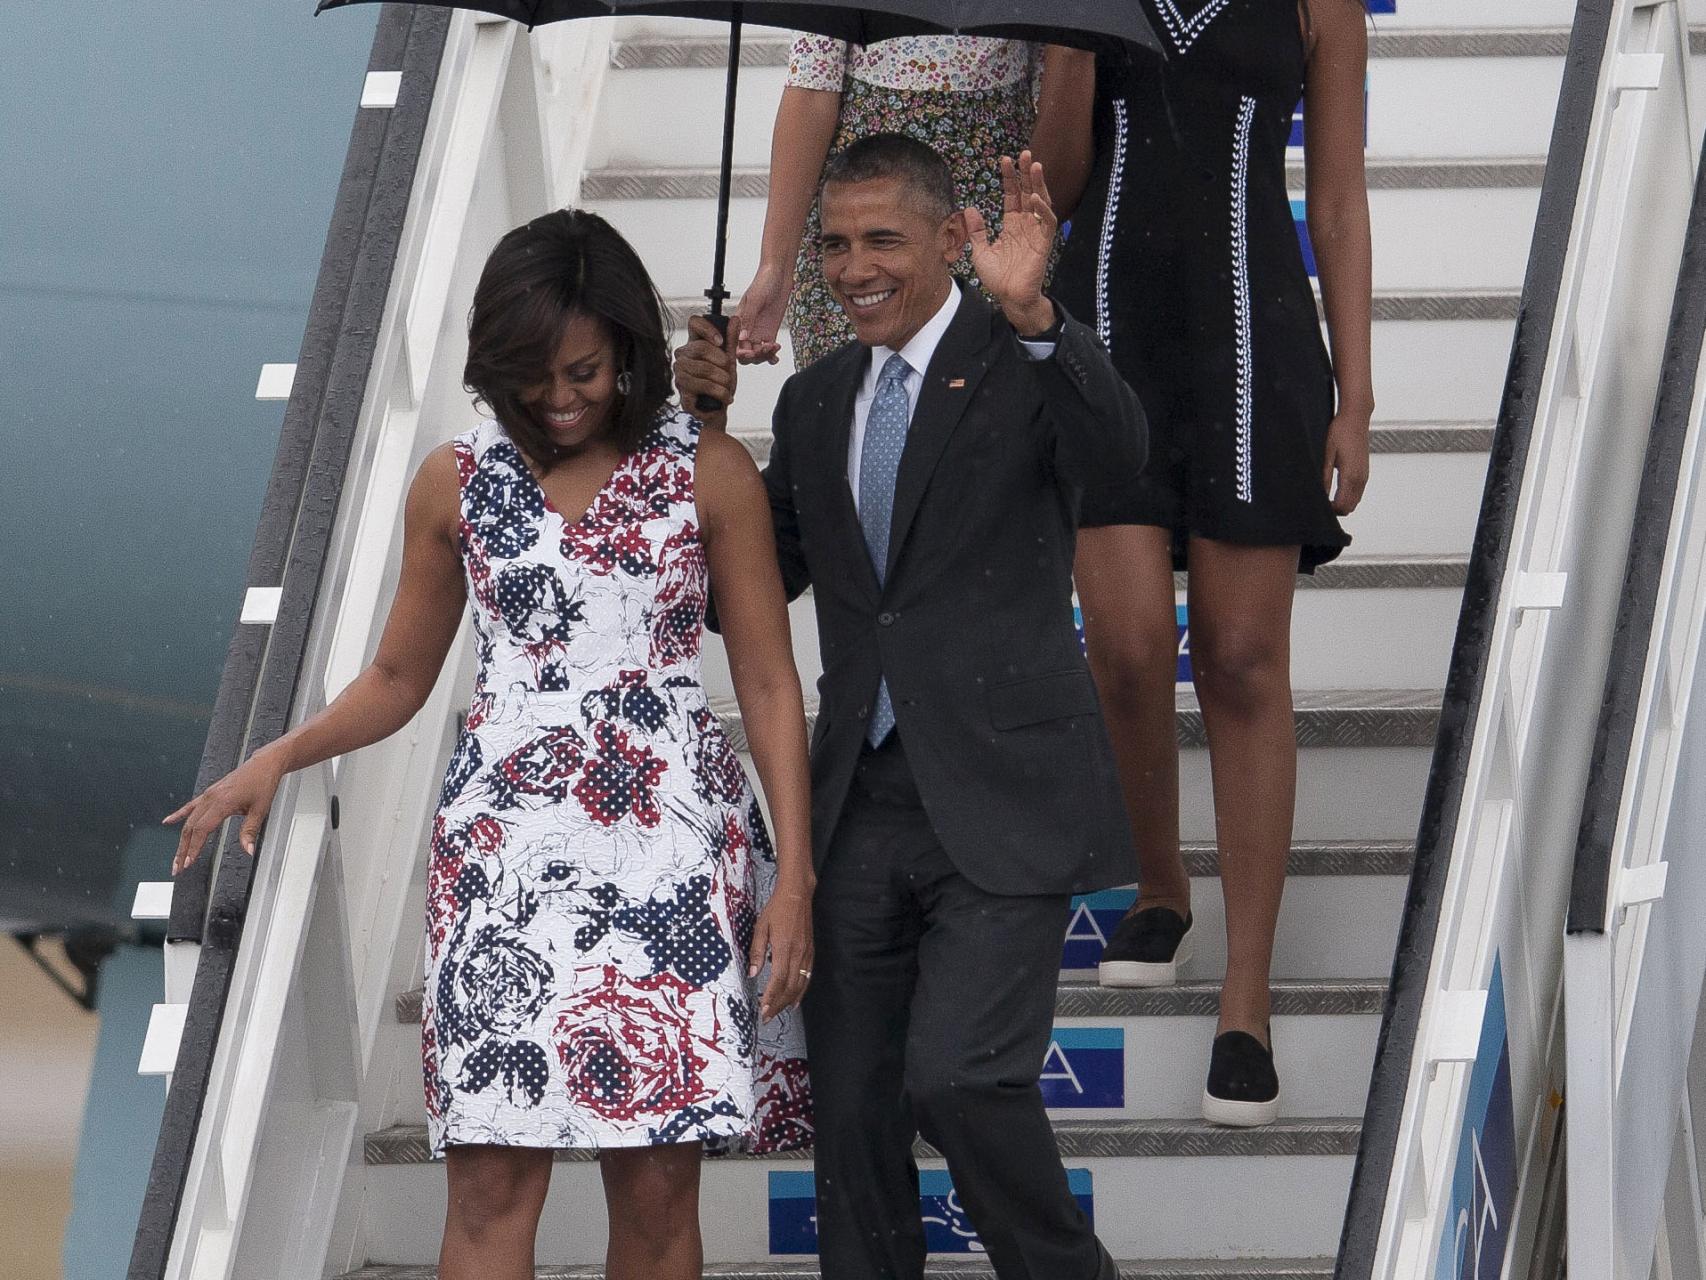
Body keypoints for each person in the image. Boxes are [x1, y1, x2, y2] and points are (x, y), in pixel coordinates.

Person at [164, 210, 815, 1280]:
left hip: (672, 860)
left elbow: (766, 679)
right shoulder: (453, 481)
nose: (557, 397)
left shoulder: (708, 473)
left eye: (584, 370)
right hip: (504, 859)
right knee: (487, 1184)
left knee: (655, 1186)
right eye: (528, 375)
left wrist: (792, 879)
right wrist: (282, 752)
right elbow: (394, 678)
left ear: (627, 353)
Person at [676, 133, 1145, 1280]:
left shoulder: (1016, 356)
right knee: (852, 1118)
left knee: (960, 1076)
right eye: (832, 244)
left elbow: (1121, 458)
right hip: (855, 802)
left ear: (950, 238)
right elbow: (734, 594)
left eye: (880, 238)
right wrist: (689, 442)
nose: (849, 267)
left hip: (1000, 794)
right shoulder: (818, 395)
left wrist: (1039, 321)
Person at [1031, 0, 1374, 1127]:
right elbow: (1060, 182)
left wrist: (1355, 391)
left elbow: (1333, 197)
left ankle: (1244, 995)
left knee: (1236, 655)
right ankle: (1159, 886)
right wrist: (1070, 44)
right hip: (1109, 323)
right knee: (1125, 644)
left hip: (1253, 325)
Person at [733, 34, 1054, 369]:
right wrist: (776, 267)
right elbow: (812, 84)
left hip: (988, 217)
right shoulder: (851, 255)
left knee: (995, 402)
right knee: (849, 401)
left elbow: (1054, 85)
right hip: (860, 203)